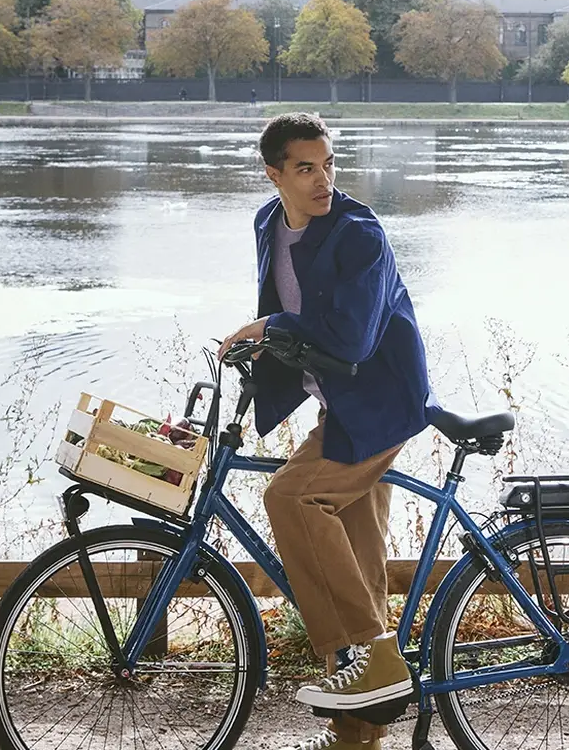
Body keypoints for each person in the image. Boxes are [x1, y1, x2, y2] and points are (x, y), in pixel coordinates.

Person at [218, 112, 435, 750]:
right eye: (307, 168)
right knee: (357, 575)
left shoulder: (359, 233)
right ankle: (358, 734)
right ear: (274, 173)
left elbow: (352, 336)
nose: (324, 181)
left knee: (291, 497)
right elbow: (284, 310)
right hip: (335, 403)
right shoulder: (268, 222)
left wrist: (271, 326)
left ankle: (377, 657)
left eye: (330, 164)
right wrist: (260, 350)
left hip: (378, 405)